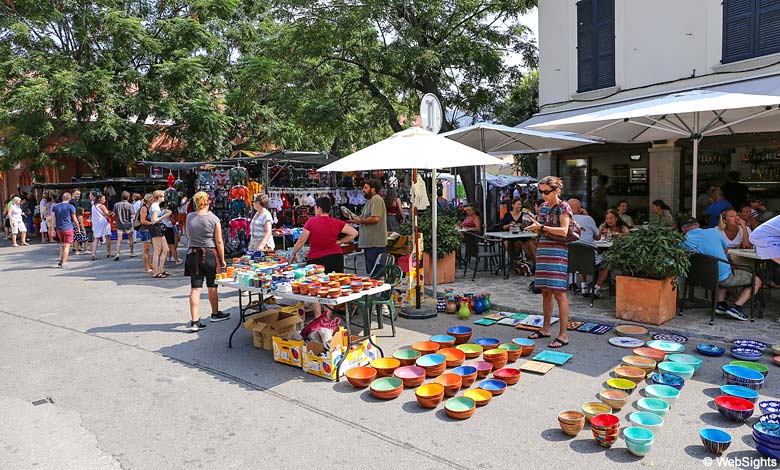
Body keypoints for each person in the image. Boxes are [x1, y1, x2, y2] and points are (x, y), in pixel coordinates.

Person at [524, 176, 571, 349]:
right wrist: (535, 227)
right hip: (543, 250)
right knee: (544, 291)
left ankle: (563, 334)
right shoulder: (543, 207)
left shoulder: (563, 207)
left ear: (557, 190)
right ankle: (545, 328)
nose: (543, 195)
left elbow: (564, 231)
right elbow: (541, 228)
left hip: (557, 252)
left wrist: (541, 228)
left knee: (559, 292)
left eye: (546, 191)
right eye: (541, 191)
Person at [681, 217, 760, 321]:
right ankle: (736, 307)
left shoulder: (682, 241)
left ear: (683, 230)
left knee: (721, 269)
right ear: (698, 225)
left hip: (698, 279)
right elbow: (726, 250)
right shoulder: (714, 232)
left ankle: (720, 304)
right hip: (721, 277)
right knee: (757, 280)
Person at [289, 197, 358, 316]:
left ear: (319, 208)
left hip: (317, 259)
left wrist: (293, 253)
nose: (315, 210)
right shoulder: (336, 222)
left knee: (314, 287)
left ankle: (318, 316)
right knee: (332, 286)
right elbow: (354, 233)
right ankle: (327, 316)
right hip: (335, 257)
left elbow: (301, 241)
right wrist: (340, 241)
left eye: (315, 208)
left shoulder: (311, 221)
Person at [184, 191, 229, 332]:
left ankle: (195, 321)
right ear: (208, 202)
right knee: (212, 285)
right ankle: (215, 313)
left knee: (195, 288)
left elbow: (187, 234)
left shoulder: (189, 217)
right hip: (209, 253)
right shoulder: (214, 219)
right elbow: (219, 241)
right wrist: (222, 260)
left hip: (193, 253)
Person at [349, 179, 387, 275]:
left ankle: (381, 289)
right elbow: (364, 218)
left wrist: (360, 221)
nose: (363, 190)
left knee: (376, 273)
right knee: (372, 272)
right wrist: (352, 217)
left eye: (366, 188)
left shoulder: (376, 199)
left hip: (375, 243)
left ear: (373, 189)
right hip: (370, 243)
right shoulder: (370, 201)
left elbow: (375, 218)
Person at [590, 209, 630, 298]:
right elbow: (596, 236)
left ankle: (597, 286)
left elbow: (628, 237)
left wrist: (616, 234)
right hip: (603, 250)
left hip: (618, 252)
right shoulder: (603, 226)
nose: (609, 221)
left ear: (616, 219)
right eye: (607, 218)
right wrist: (600, 234)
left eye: (611, 218)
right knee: (603, 260)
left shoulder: (622, 227)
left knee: (607, 261)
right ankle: (597, 286)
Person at [568, 197, 601, 295]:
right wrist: (587, 216)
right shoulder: (588, 219)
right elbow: (598, 237)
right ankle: (596, 287)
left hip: (572, 260)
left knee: (581, 253)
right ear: (579, 208)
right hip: (589, 258)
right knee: (608, 262)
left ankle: (583, 285)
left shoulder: (564, 220)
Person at [501, 197, 536, 273]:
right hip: (509, 236)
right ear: (513, 205)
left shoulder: (524, 214)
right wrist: (509, 225)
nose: (519, 206)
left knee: (526, 243)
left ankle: (533, 263)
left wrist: (522, 225)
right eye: (518, 204)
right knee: (507, 243)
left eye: (520, 205)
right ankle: (514, 260)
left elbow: (527, 225)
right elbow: (503, 227)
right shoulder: (507, 214)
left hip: (521, 236)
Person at [49, 192, 81, 268]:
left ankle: (60, 260)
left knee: (62, 244)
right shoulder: (71, 207)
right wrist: (78, 228)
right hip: (68, 227)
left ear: (62, 198)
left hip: (59, 228)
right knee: (67, 245)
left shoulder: (55, 206)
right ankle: (64, 262)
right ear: (69, 199)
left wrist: (52, 228)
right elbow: (75, 219)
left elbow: (52, 218)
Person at [149, 190, 172, 278]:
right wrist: (165, 215)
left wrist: (163, 212)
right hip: (156, 227)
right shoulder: (155, 206)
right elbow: (154, 220)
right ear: (158, 197)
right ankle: (156, 271)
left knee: (165, 249)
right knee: (157, 250)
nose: (164, 198)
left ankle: (160, 269)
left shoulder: (155, 206)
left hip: (158, 228)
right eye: (162, 196)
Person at [90, 194, 113, 260]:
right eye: (104, 199)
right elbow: (107, 214)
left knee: (96, 238)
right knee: (108, 236)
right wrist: (112, 213)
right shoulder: (102, 206)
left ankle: (93, 254)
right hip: (104, 222)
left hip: (96, 223)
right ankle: (108, 252)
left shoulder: (93, 206)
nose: (105, 200)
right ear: (99, 199)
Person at [113, 191, 135, 261]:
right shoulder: (130, 205)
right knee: (130, 238)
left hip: (119, 224)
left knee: (119, 239)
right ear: (128, 197)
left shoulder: (116, 205)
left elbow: (114, 214)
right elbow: (132, 216)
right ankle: (131, 253)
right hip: (128, 224)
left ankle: (117, 253)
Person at [137, 194, 154, 273]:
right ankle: (147, 267)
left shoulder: (148, 208)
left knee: (155, 248)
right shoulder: (144, 208)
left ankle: (151, 264)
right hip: (145, 230)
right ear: (149, 200)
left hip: (148, 230)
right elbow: (142, 221)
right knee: (146, 250)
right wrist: (151, 223)